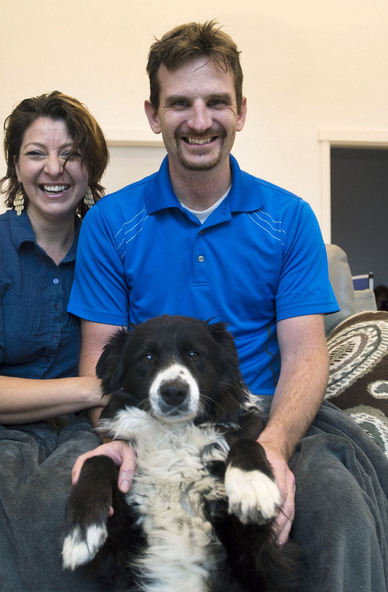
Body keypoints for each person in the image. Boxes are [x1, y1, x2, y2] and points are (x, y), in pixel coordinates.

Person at [68, 22, 388, 592]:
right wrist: (118, 444)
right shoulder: (109, 224)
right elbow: (100, 365)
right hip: (146, 427)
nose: (199, 121)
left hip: (258, 421)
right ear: (152, 113)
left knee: (342, 509)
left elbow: (305, 355)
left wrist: (270, 449)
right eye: (179, 104)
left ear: (241, 111)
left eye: (217, 102)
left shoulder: (290, 219)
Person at [0, 90, 110, 425]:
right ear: (16, 166)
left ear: (90, 168)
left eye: (70, 154)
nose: (54, 168)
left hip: (82, 430)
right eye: (36, 153)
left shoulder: (108, 249)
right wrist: (94, 390)